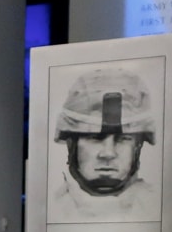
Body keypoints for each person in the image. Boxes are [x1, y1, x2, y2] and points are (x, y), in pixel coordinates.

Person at [49, 67, 159, 222]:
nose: (108, 153)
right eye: (95, 137)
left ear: (138, 146)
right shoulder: (51, 210)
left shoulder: (157, 208)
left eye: (123, 138)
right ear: (71, 143)